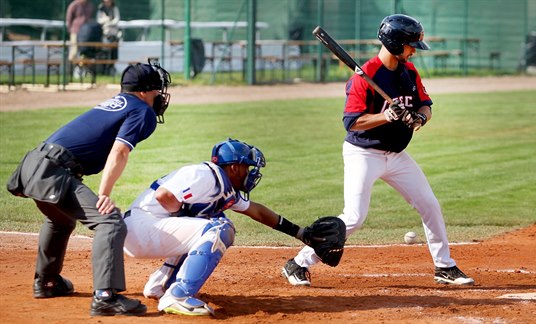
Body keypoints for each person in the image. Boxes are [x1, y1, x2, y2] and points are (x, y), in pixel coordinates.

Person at [281, 14, 475, 287]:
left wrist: (419, 118)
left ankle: (444, 266)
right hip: (364, 154)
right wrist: (387, 117)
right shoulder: (366, 76)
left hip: (396, 156)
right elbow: (351, 122)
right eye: (410, 47)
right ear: (396, 44)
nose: (413, 53)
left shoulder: (409, 72)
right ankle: (298, 263)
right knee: (354, 217)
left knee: (429, 205)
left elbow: (425, 105)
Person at [6, 60, 172, 316]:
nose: (159, 96)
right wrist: (104, 194)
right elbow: (120, 151)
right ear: (143, 91)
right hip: (53, 171)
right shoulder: (142, 110)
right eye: (156, 90)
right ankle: (106, 297)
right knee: (110, 221)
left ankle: (47, 282)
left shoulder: (117, 104)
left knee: (60, 220)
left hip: (34, 164)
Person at [122, 139, 319, 316]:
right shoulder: (205, 175)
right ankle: (178, 296)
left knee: (208, 222)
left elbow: (256, 211)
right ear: (234, 167)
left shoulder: (224, 187)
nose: (250, 173)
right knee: (219, 227)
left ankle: (161, 286)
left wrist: (301, 233)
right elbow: (163, 196)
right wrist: (182, 215)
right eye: (247, 168)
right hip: (142, 227)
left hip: (146, 230)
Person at [96, 0, 121, 75]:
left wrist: (109, 22)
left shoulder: (115, 8)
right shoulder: (100, 9)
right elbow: (99, 20)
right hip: (104, 34)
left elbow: (116, 20)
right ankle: (104, 69)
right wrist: (106, 20)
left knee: (113, 52)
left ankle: (111, 68)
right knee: (104, 52)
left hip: (113, 34)